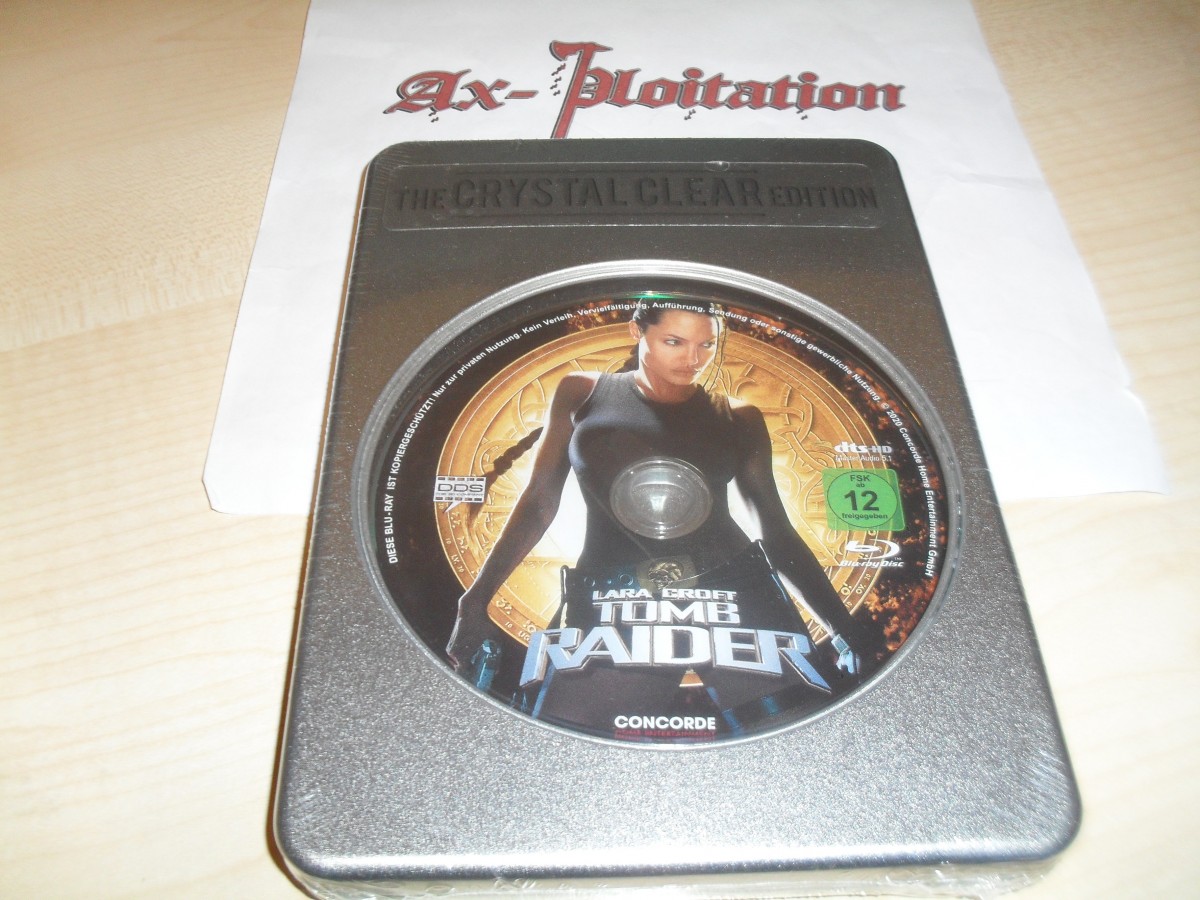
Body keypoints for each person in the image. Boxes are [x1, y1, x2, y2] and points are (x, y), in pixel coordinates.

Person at [447, 299, 872, 733]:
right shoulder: (580, 393)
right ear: (638, 332)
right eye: (674, 341)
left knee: (796, 742)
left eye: (706, 344)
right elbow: (539, 503)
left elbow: (774, 530)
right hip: (611, 596)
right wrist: (474, 600)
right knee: (563, 744)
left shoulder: (739, 417)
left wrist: (841, 627)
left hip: (734, 589)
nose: (693, 358)